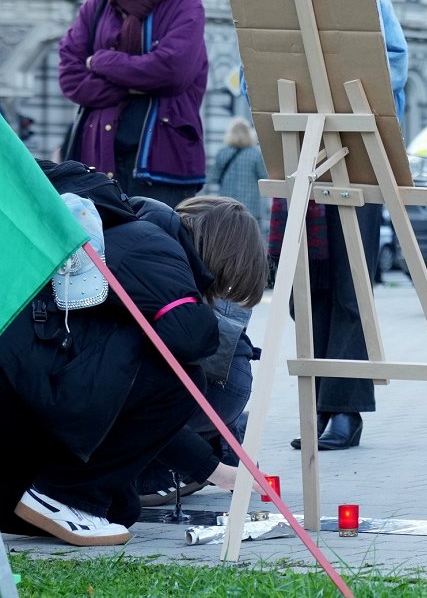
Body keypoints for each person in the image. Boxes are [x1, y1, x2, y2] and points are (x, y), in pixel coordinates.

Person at [0, 162, 268, 546]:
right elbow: (190, 342)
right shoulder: (154, 246)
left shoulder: (130, 233)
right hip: (23, 390)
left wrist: (213, 469)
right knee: (182, 374)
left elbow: (130, 397)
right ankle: (65, 496)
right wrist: (203, 315)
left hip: (25, 389)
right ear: (220, 258)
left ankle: (55, 500)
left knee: (121, 511)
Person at [265, 0, 409, 451]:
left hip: (354, 151)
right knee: (305, 288)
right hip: (297, 152)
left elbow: (393, 63)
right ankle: (318, 402)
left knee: (349, 285)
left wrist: (340, 92)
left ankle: (346, 410)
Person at [57, 0, 208, 206]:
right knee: (98, 253)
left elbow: (171, 72)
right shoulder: (96, 6)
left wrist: (100, 61)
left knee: (157, 250)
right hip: (96, 158)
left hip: (162, 162)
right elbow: (70, 76)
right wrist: (136, 81)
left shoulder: (185, 4)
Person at [135, 197, 267, 506]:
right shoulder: (165, 254)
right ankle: (219, 441)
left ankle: (217, 444)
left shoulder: (169, 257)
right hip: (220, 378)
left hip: (219, 380)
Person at [207, 117, 268, 236]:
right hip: (251, 206)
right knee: (250, 237)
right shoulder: (256, 153)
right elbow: (264, 177)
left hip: (227, 205)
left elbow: (213, 177)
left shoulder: (223, 152)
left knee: (229, 237)